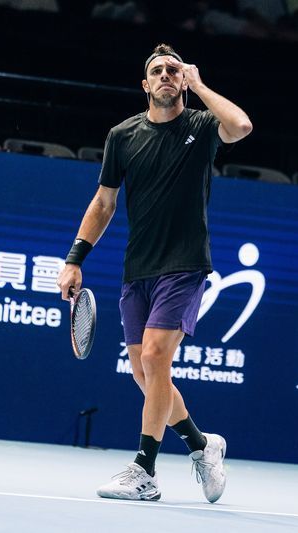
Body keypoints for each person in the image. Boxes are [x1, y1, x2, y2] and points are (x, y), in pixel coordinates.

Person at [56, 43, 252, 502]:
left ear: (182, 80)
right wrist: (74, 258)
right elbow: (103, 203)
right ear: (145, 85)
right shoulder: (122, 136)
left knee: (155, 356)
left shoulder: (202, 126)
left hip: (185, 263)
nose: (166, 74)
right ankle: (202, 445)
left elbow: (241, 126)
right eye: (158, 70)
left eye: (173, 70)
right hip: (138, 267)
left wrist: (199, 83)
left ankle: (144, 470)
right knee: (147, 375)